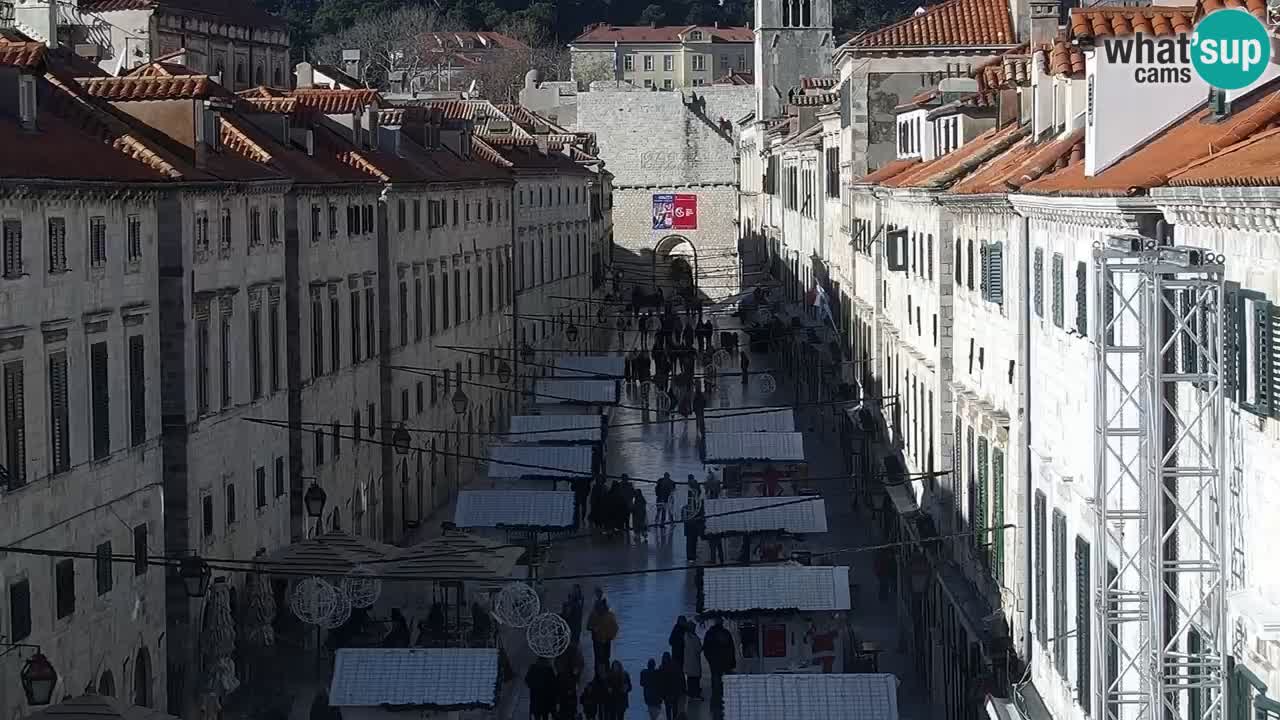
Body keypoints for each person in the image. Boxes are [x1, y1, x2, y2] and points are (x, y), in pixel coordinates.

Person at [702, 618, 736, 709]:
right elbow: (731, 649)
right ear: (722, 623)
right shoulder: (726, 633)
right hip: (725, 662)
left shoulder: (710, 633)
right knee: (724, 681)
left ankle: (716, 699)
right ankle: (723, 698)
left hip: (714, 663)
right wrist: (732, 662)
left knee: (715, 679)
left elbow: (705, 648)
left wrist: (710, 659)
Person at [587, 597, 619, 667]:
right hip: (597, 640)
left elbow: (615, 628)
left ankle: (606, 673)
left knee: (606, 658)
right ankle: (598, 674)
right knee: (598, 659)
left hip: (607, 640)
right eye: (598, 606)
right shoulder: (593, 615)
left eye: (601, 606)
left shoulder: (610, 615)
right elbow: (588, 626)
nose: (600, 608)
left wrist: (611, 636)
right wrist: (593, 628)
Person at [659, 652, 684, 720]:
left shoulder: (661, 668)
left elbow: (660, 683)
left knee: (668, 709)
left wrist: (660, 694)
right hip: (674, 691)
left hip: (666, 692)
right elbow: (680, 678)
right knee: (674, 707)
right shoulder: (675, 666)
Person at [682, 622, 704, 699]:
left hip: (688, 660)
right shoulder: (694, 638)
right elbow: (699, 648)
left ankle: (691, 692)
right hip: (694, 660)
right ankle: (695, 693)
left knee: (690, 678)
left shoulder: (685, 636)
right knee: (695, 678)